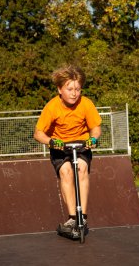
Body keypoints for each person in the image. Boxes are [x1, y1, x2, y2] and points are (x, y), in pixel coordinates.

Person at [34, 64, 102, 235]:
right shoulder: (52, 107)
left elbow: (96, 128)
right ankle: (73, 217)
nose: (74, 93)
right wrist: (52, 142)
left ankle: (82, 217)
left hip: (81, 144)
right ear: (59, 90)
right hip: (59, 145)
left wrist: (92, 139)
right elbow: (38, 133)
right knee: (66, 172)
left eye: (77, 89)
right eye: (70, 89)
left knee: (81, 168)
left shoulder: (86, 104)